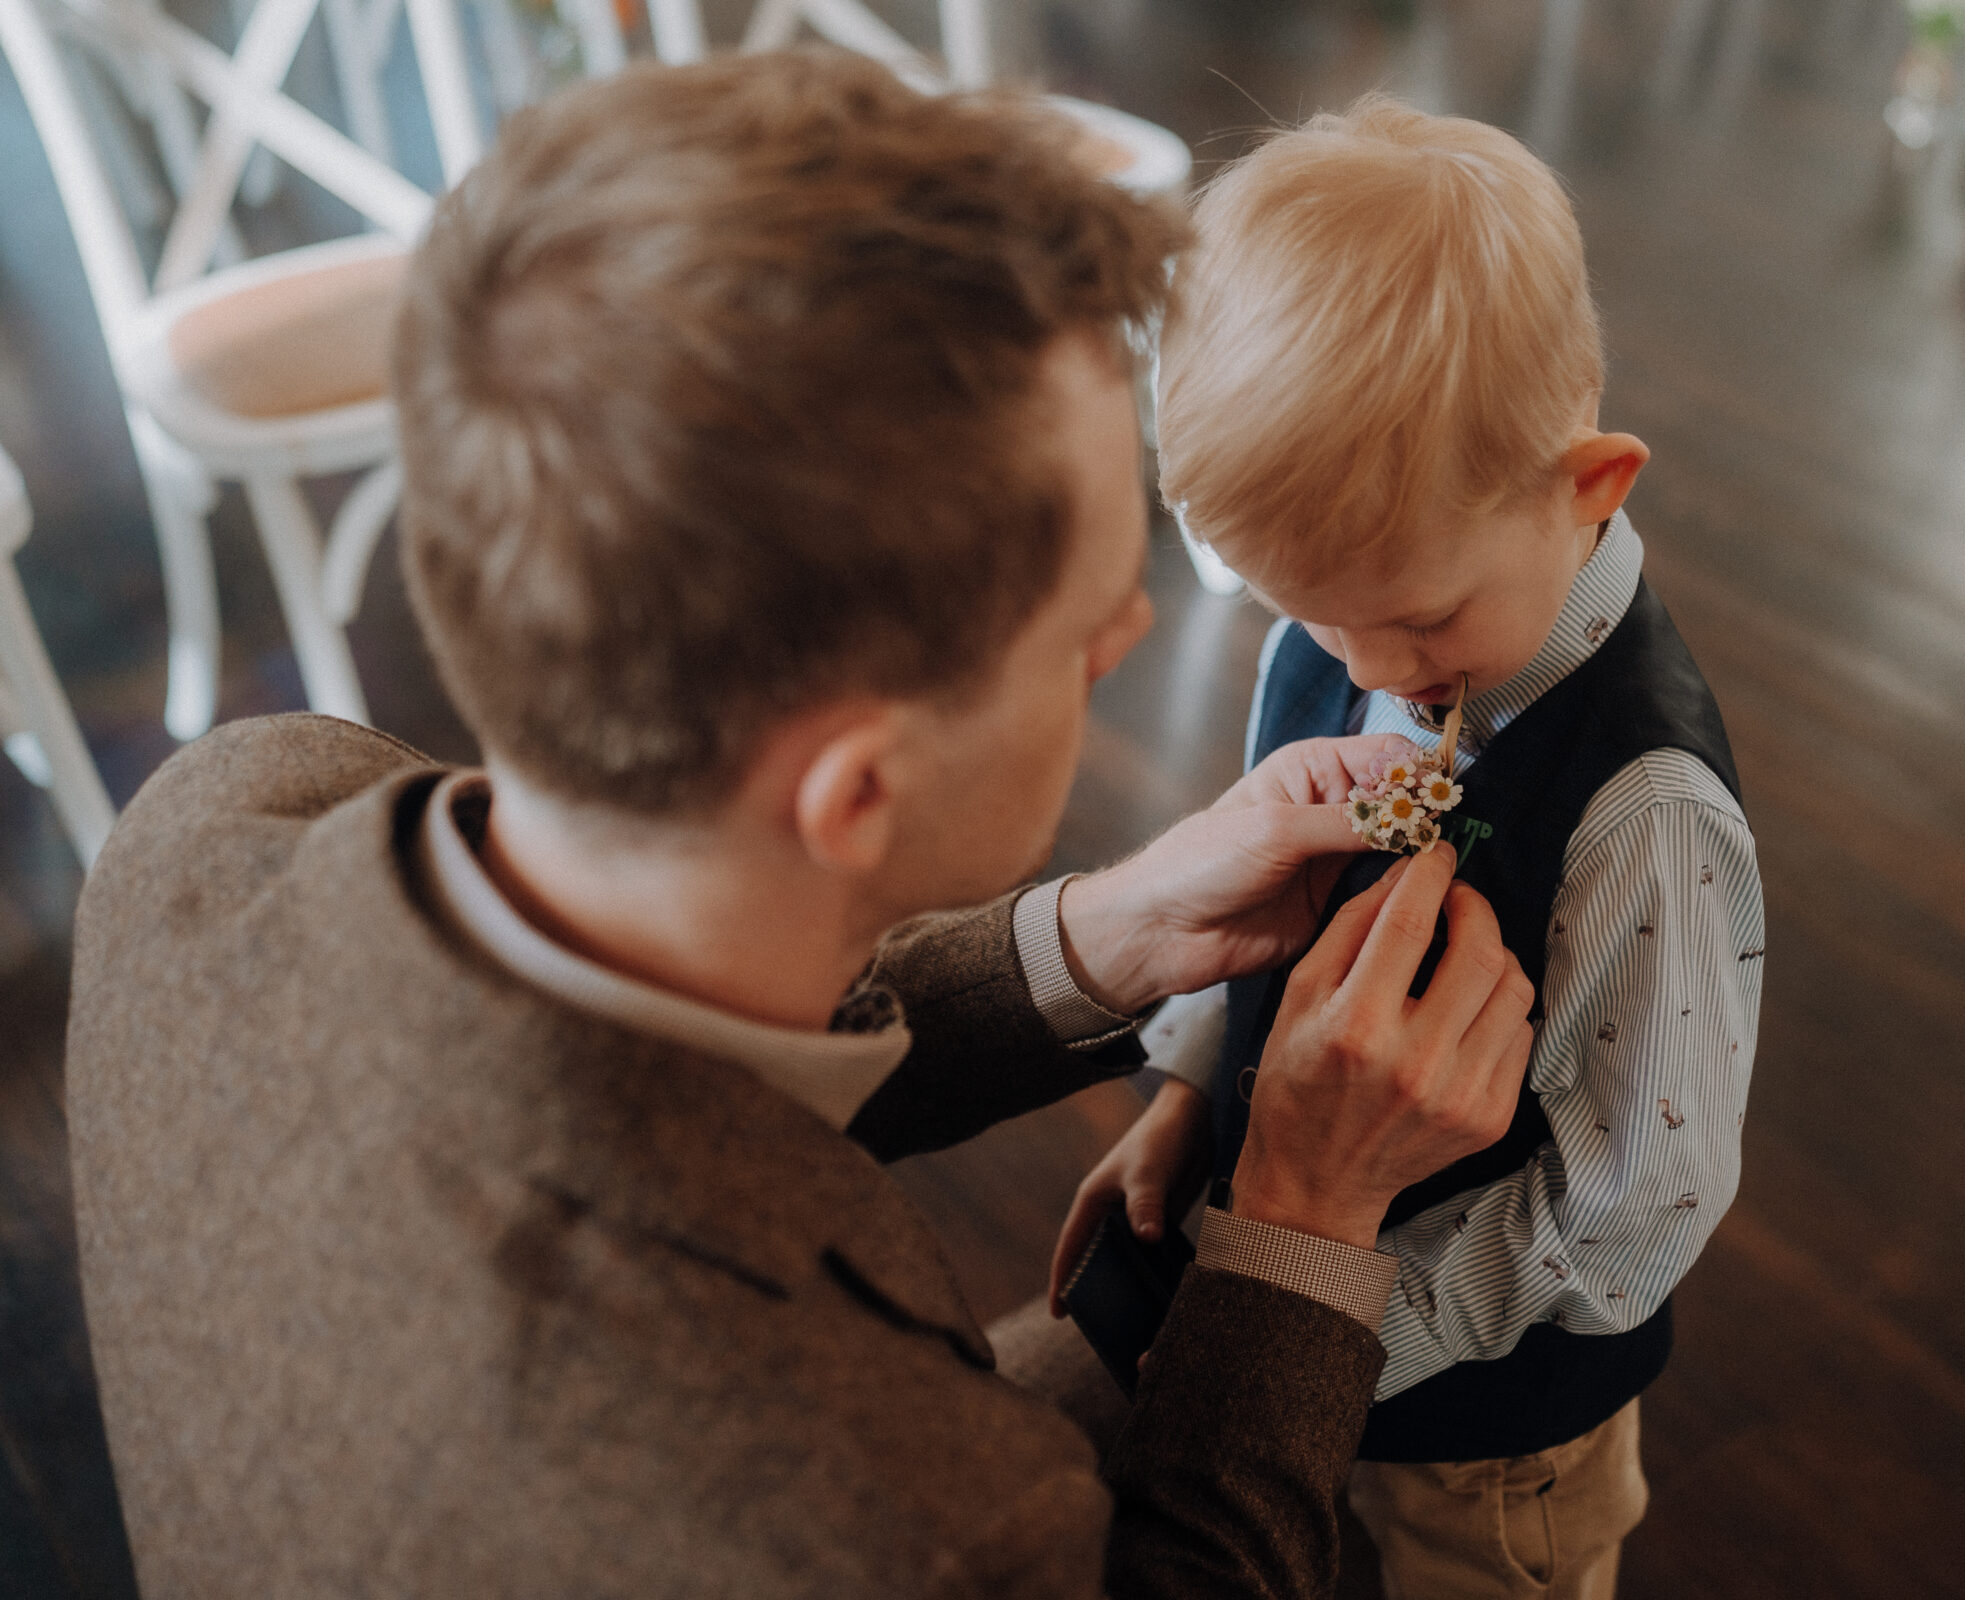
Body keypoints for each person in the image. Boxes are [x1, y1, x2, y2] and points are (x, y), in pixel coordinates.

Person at [63, 52, 1541, 1599]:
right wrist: (1309, 1212)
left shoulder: (222, 813)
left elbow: (661, 1069)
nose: (1126, 639)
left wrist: (1102, 940)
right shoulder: (894, 1523)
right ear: (855, 792)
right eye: (1090, 631)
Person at [1049, 97, 1766, 1599]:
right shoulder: (1346, 628)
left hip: (1498, 1445)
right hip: (1296, 1295)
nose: (1372, 661)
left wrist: (1340, 1323)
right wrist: (1187, 1088)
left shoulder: (1644, 809)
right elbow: (1260, 910)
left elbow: (1638, 1205)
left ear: (1589, 488)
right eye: (1308, 611)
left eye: (1426, 617)